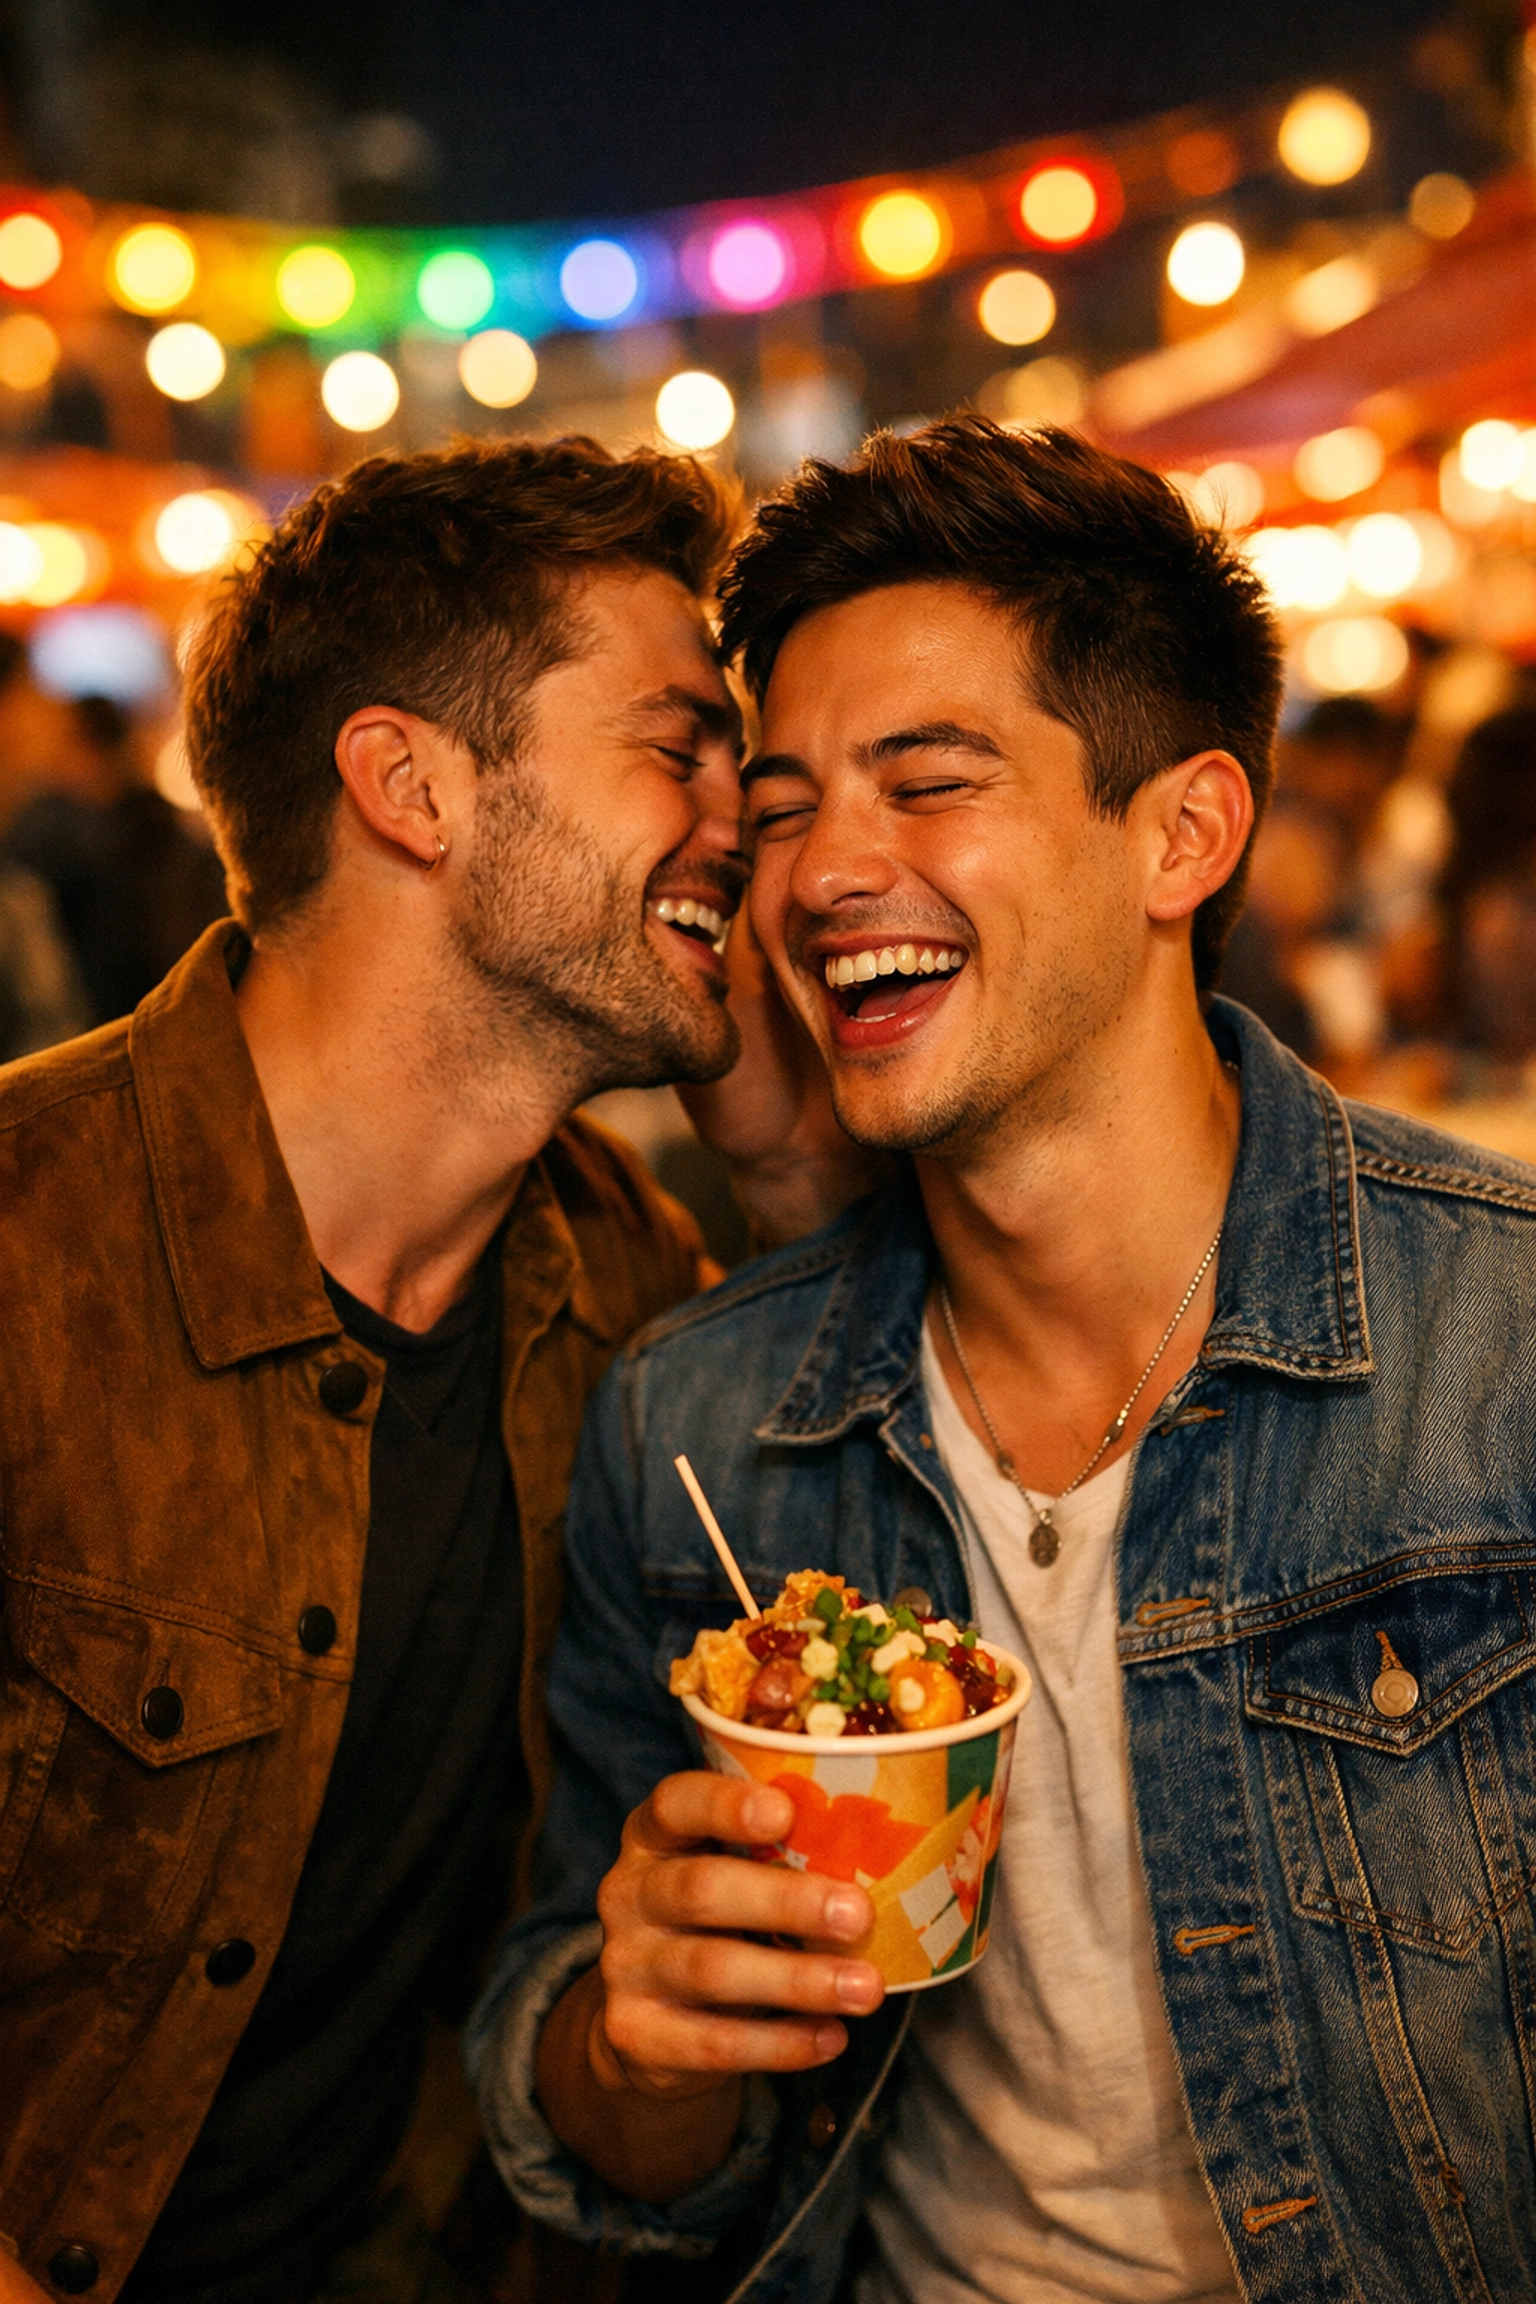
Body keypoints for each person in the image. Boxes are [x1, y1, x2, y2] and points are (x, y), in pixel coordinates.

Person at [472, 418, 1536, 2304]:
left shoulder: (1497, 1345)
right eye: (786, 803)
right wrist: (633, 2035)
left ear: (1184, 831)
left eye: (927, 780)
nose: (820, 875)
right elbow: (614, 2148)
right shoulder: (706, 1428)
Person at [0, 436, 860, 2304]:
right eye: (676, 745)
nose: (748, 817)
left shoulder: (622, 1273)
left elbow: (866, 1446)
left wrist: (785, 1134)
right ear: (409, 785)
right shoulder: (28, 1257)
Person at [4, 690, 227, 1024]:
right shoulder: (160, 825)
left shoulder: (52, 831)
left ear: (78, 745)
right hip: (161, 1015)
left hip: (91, 1025)